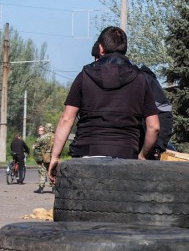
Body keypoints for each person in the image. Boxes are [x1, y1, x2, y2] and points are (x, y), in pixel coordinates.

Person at [48, 26, 159, 184]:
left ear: (100, 48)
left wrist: (55, 157)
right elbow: (154, 127)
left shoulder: (84, 76)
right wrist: (142, 156)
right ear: (124, 49)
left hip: (86, 154)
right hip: (126, 154)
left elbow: (67, 119)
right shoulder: (140, 79)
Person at [32, 124, 55, 193]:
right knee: (52, 172)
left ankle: (41, 188)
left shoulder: (44, 137)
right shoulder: (56, 136)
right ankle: (54, 188)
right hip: (53, 157)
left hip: (45, 156)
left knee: (43, 172)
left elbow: (36, 145)